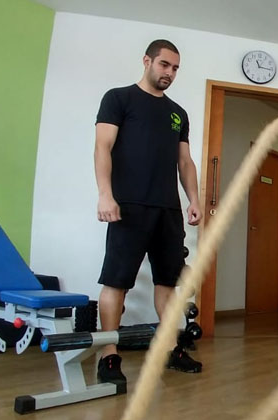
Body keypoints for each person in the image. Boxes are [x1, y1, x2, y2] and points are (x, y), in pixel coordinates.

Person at [94, 39, 203, 384]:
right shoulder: (119, 98)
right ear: (147, 61)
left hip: (167, 209)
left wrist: (194, 200)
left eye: (175, 68)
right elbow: (103, 147)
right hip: (128, 206)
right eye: (164, 65)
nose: (169, 73)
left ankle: (171, 348)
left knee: (168, 285)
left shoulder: (178, 113)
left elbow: (184, 161)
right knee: (117, 281)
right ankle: (109, 356)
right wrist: (105, 195)